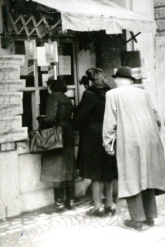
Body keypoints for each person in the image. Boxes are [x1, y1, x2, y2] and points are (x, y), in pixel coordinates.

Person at [103, 66, 165, 230]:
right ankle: (150, 216)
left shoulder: (112, 94)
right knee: (147, 177)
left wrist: (108, 143)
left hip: (129, 140)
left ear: (117, 79)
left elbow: (110, 122)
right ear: (131, 80)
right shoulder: (143, 93)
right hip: (149, 138)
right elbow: (156, 117)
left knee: (131, 177)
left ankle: (137, 219)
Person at [74, 68, 118, 217]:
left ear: (91, 80)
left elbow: (80, 116)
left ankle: (98, 206)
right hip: (110, 133)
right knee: (108, 170)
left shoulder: (90, 94)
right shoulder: (111, 92)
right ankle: (110, 204)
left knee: (95, 172)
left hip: (93, 135)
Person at [38, 76, 75, 210]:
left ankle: (59, 202)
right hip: (68, 133)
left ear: (51, 87)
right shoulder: (66, 98)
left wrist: (40, 120)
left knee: (56, 168)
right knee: (67, 168)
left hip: (56, 135)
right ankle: (70, 200)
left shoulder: (53, 97)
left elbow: (50, 118)